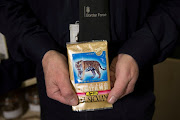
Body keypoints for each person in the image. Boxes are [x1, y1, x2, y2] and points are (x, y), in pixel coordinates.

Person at [1, 0, 179, 120]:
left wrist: (140, 48)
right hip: (57, 85)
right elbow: (8, 5)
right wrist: (44, 53)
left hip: (131, 86)